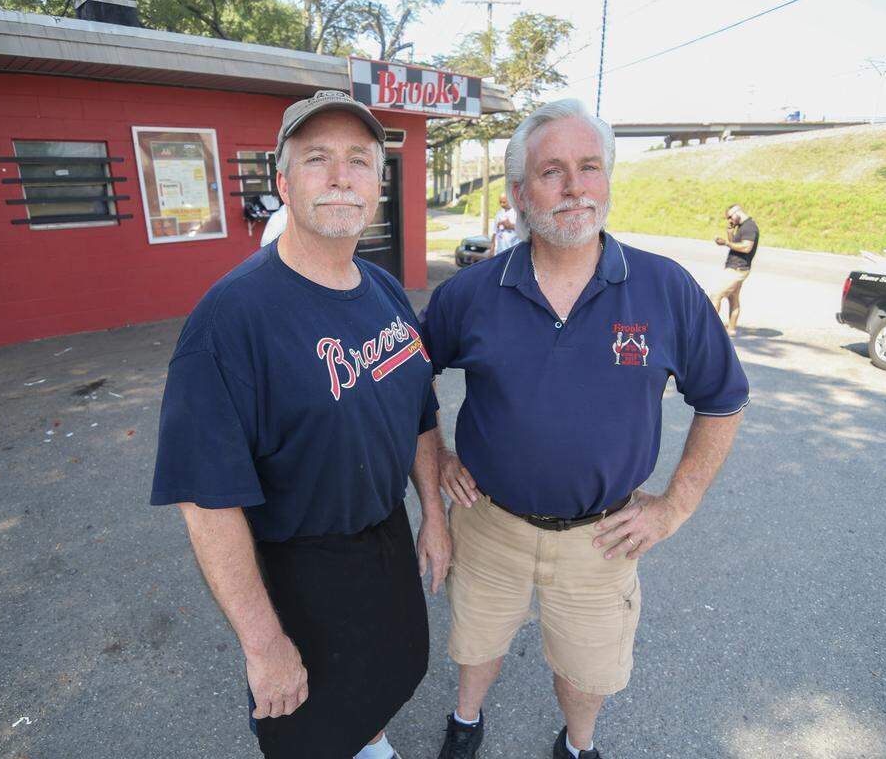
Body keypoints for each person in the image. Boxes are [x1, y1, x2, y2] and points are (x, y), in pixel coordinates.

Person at [421, 99, 750, 759]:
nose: (575, 187)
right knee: (476, 642)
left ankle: (577, 744)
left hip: (602, 538)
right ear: (519, 193)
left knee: (587, 668)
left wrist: (676, 506)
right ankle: (466, 719)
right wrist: (438, 473)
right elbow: (408, 383)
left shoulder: (665, 289)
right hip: (488, 522)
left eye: (590, 167)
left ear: (607, 178)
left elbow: (723, 399)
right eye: (552, 171)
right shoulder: (470, 294)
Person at [150, 90, 450, 759]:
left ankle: (372, 744)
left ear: (378, 182)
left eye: (359, 161)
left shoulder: (385, 289)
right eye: (317, 159)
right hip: (299, 568)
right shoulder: (230, 321)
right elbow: (206, 500)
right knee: (306, 725)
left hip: (386, 541)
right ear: (283, 182)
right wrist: (263, 645)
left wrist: (433, 509)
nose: (341, 177)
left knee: (390, 673)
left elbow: (420, 407)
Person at [710, 204, 760, 336]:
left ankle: (710, 328)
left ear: (737, 212)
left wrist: (726, 243)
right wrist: (730, 233)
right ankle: (731, 329)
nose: (730, 220)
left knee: (716, 295)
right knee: (733, 298)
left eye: (730, 217)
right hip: (736, 267)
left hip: (737, 269)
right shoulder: (742, 226)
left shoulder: (750, 227)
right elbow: (735, 245)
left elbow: (746, 247)